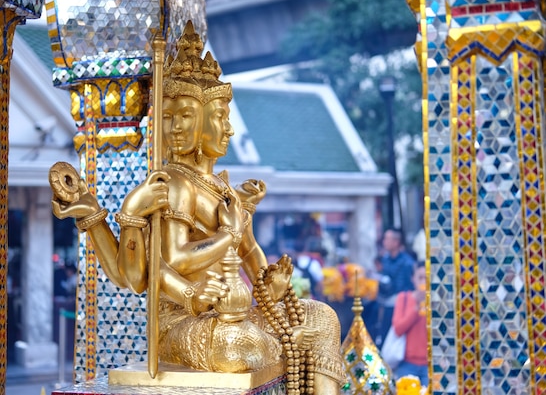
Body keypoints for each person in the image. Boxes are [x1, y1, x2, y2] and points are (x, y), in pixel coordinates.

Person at [51, 22, 345, 394]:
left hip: (229, 312)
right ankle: (283, 344)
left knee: (322, 317)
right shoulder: (174, 184)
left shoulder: (224, 189)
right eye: (173, 117)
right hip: (182, 321)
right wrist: (229, 235)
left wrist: (270, 284)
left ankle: (298, 357)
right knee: (239, 345)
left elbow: (251, 253)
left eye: (190, 116)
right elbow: (176, 258)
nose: (227, 129)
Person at [376, 228, 415, 346]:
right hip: (386, 303)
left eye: (387, 239)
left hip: (401, 304)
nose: (385, 242)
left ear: (396, 242)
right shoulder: (385, 260)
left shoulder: (407, 262)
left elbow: (409, 286)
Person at [391, 261, 428, 386]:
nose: (423, 282)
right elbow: (398, 329)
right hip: (406, 364)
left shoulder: (437, 300)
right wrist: (416, 308)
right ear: (413, 279)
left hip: (430, 366)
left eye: (426, 278)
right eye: (420, 277)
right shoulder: (404, 298)